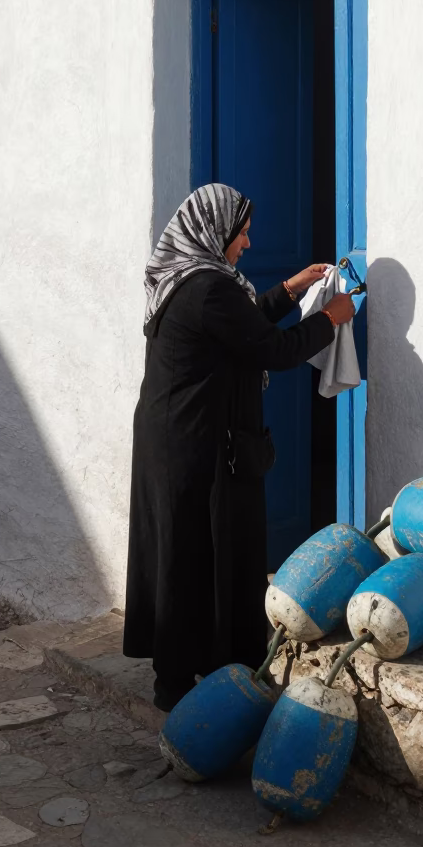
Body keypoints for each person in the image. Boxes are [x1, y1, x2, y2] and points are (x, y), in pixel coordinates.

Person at [123, 183, 355, 711]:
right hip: (195, 444)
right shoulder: (210, 288)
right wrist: (329, 318)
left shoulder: (188, 279)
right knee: (197, 554)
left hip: (174, 437)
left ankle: (181, 675)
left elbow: (242, 324)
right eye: (242, 233)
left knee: (186, 553)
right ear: (215, 232)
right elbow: (268, 348)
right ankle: (187, 682)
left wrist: (292, 289)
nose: (247, 243)